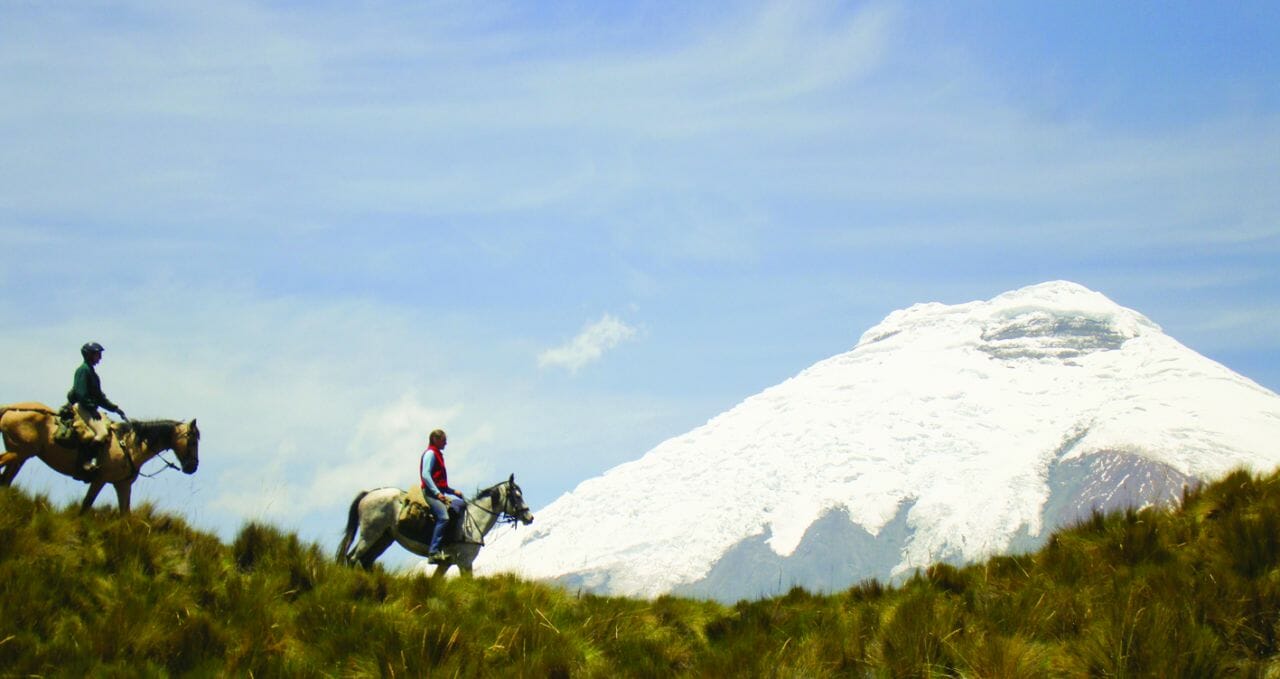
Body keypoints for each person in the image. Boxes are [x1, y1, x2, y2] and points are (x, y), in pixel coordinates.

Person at [67, 342, 127, 472]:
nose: (100, 357)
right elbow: (81, 394)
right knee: (102, 433)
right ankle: (86, 463)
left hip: (89, 407)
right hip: (81, 407)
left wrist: (114, 408)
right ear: (89, 355)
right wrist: (91, 408)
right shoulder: (83, 370)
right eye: (97, 354)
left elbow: (99, 397)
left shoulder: (92, 373)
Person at [420, 429, 466, 563]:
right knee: (444, 517)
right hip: (430, 493)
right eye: (443, 440)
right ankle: (433, 552)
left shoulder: (437, 454)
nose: (446, 443)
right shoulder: (430, 453)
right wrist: (437, 493)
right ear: (435, 439)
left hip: (437, 493)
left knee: (458, 506)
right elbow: (426, 475)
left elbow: (440, 482)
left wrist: (452, 491)